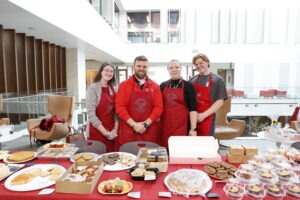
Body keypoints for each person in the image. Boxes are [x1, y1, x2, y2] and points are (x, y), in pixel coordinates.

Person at [115, 55, 163, 150]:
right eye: (139, 66)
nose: (141, 69)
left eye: (144, 66)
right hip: (129, 130)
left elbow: (158, 108)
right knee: (128, 159)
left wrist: (145, 124)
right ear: (133, 67)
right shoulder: (124, 85)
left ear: (148, 68)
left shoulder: (155, 86)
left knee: (149, 161)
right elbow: (120, 107)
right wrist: (134, 125)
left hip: (149, 131)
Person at [160, 59, 198, 148]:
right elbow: (158, 107)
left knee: (180, 151)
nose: (174, 70)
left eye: (177, 67)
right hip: (165, 127)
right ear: (168, 70)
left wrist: (193, 129)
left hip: (182, 127)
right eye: (171, 68)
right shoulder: (162, 86)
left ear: (181, 69)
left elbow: (193, 109)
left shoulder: (189, 86)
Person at [189, 53, 228, 136]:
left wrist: (203, 115)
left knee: (206, 145)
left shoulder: (217, 80)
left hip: (208, 119)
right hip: (193, 120)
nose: (198, 66)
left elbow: (220, 101)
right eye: (196, 64)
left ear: (207, 62)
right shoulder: (192, 81)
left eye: (201, 63)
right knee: (193, 145)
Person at [86, 62, 118, 152]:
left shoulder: (114, 89)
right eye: (106, 70)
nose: (109, 73)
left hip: (112, 132)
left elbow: (117, 113)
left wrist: (115, 130)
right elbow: (91, 115)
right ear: (101, 72)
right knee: (97, 160)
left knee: (112, 160)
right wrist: (105, 133)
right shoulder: (92, 89)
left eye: (111, 71)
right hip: (97, 131)